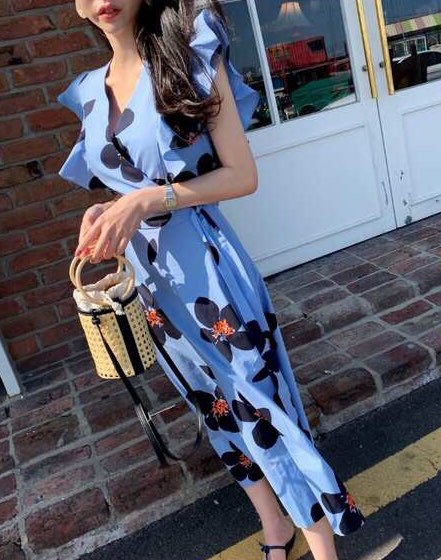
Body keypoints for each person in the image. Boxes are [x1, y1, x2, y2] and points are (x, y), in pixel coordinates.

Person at [61, 1, 365, 558]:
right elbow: (127, 184)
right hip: (153, 290)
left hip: (210, 275)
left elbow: (241, 175)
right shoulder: (88, 92)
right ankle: (274, 526)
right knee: (216, 410)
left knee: (263, 408)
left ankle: (324, 547)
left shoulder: (188, 52)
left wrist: (149, 200)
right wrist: (105, 213)